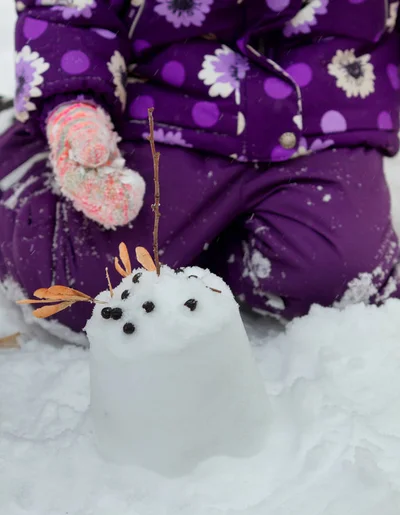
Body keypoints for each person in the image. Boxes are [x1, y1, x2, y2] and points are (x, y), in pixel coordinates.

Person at [0, 0, 399, 334]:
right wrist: (74, 104)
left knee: (343, 283)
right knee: (90, 293)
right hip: (169, 104)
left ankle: (226, 238)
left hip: (324, 112)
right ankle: (32, 165)